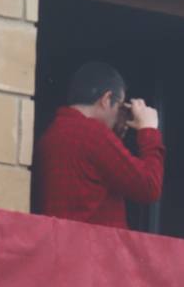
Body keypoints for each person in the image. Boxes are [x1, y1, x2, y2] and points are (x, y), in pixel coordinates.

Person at [35, 61, 164, 229]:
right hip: (94, 249)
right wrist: (149, 130)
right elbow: (149, 186)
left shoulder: (50, 135)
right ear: (106, 99)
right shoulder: (93, 135)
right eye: (120, 106)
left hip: (60, 243)